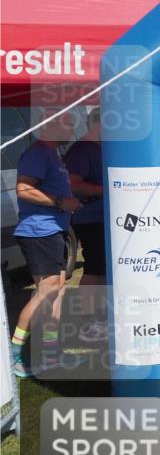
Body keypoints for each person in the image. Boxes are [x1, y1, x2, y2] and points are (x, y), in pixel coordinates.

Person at [11, 114, 83, 377]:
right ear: (49, 125)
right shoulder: (37, 152)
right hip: (38, 231)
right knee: (46, 292)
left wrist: (71, 200)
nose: (72, 128)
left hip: (54, 229)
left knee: (57, 292)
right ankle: (15, 355)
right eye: (68, 123)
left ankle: (52, 353)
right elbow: (24, 189)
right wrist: (61, 203)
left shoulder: (53, 154)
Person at [63, 110, 109, 343]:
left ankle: (101, 319)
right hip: (89, 217)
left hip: (102, 217)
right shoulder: (82, 149)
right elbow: (73, 184)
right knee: (95, 269)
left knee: (102, 269)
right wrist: (109, 191)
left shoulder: (99, 147)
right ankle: (88, 323)